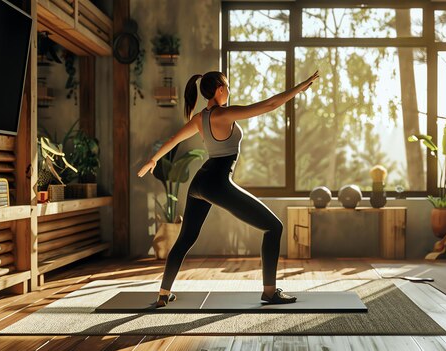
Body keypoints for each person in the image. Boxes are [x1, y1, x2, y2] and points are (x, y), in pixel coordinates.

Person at [137, 70, 320, 307]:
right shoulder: (224, 114)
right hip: (217, 182)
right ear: (220, 89)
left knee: (185, 239)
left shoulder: (199, 118)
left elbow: (173, 140)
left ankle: (163, 295)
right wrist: (299, 87)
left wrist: (153, 160)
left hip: (199, 182)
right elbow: (270, 104)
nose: (230, 92)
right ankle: (270, 292)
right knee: (274, 227)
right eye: (228, 87)